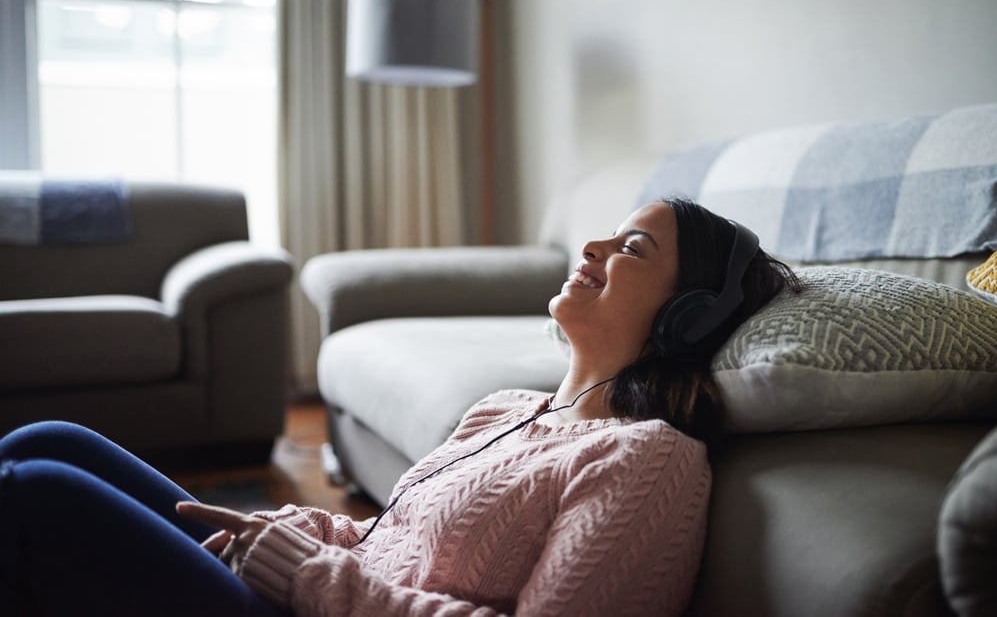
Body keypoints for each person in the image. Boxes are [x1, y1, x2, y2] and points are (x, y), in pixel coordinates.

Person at [0, 197, 798, 616]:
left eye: (631, 250)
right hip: (307, 589)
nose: (591, 248)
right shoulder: (502, 411)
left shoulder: (646, 460)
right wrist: (293, 531)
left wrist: (301, 569)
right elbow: (383, 537)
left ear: (685, 316)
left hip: (308, 604)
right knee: (52, 439)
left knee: (38, 495)